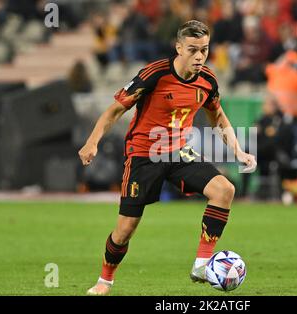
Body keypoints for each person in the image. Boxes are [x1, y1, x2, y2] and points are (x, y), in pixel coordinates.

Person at [79, 20, 257, 295]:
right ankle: (105, 280)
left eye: (205, 50)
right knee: (125, 229)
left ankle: (201, 264)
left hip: (178, 151)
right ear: (178, 48)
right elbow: (115, 111)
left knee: (224, 190)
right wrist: (92, 142)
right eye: (193, 50)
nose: (199, 57)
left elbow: (218, 117)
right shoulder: (155, 74)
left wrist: (238, 151)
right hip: (144, 154)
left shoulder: (208, 80)